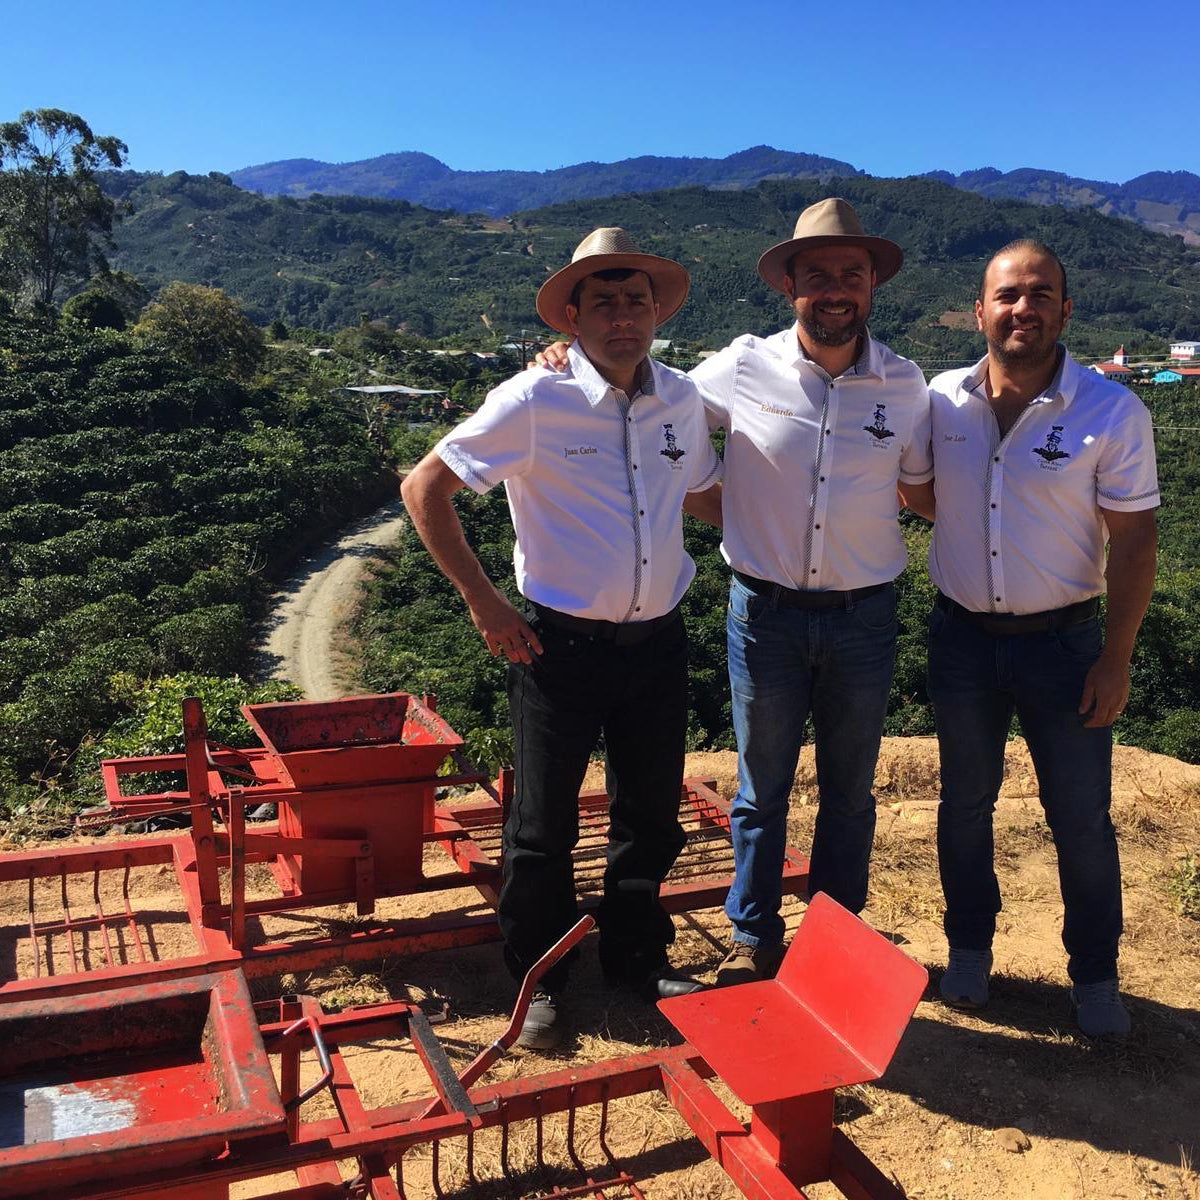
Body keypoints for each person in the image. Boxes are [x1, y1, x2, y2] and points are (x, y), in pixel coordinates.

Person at [539, 198, 934, 985]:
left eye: (849, 274)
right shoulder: (741, 365)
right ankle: (753, 934)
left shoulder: (906, 382)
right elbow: (651, 413)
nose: (834, 288)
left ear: (871, 287)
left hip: (866, 617)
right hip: (765, 615)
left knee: (851, 791)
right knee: (762, 790)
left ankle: (835, 933)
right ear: (789, 284)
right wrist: (570, 359)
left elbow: (921, 489)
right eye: (816, 273)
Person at [401, 227, 722, 1051]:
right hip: (558, 649)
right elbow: (423, 488)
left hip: (657, 643)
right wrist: (484, 605)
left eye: (636, 301)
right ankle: (539, 979)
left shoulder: (681, 399)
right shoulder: (533, 400)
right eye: (604, 302)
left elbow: (703, 496)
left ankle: (635, 962)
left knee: (648, 817)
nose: (623, 316)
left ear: (657, 313)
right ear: (573, 316)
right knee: (542, 828)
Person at [921, 239, 1159, 1036]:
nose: (1024, 308)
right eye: (1009, 295)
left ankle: (1094, 975)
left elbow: (1133, 540)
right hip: (960, 639)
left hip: (1064, 645)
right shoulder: (940, 401)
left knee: (1081, 815)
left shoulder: (1111, 411)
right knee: (964, 804)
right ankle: (969, 950)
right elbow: (915, 489)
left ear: (1065, 307)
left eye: (1041, 294)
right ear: (980, 309)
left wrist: (1116, 658)